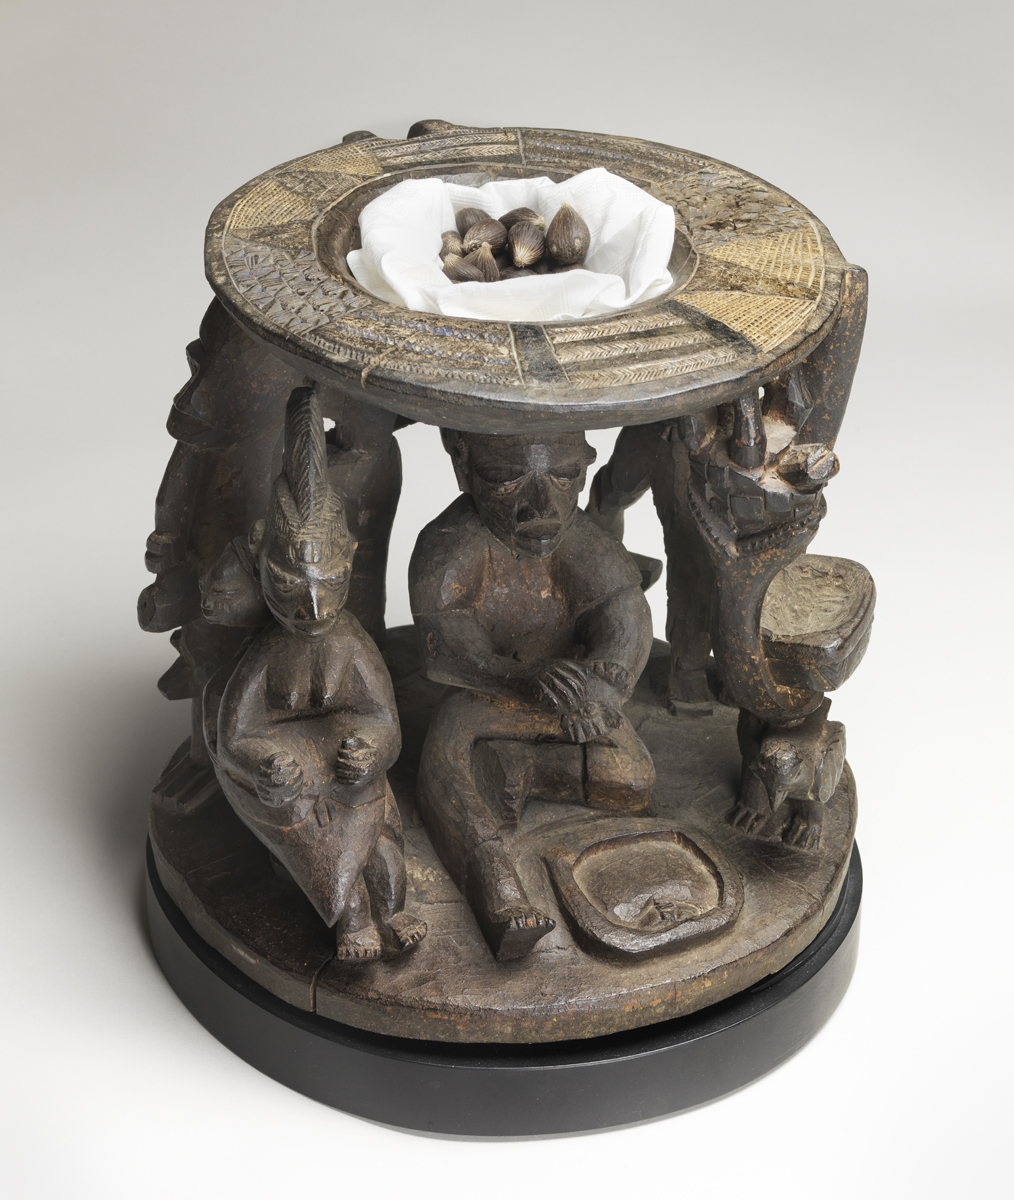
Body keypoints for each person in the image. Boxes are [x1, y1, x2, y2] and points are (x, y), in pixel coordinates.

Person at [410, 428, 654, 960]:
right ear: (463, 467)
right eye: (505, 479)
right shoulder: (450, 544)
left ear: (587, 466)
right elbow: (445, 647)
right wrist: (519, 677)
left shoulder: (583, 541)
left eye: (565, 477)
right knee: (444, 751)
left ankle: (526, 770)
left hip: (571, 697)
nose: (541, 507)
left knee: (634, 779)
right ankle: (497, 889)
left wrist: (601, 691)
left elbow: (625, 620)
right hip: (491, 695)